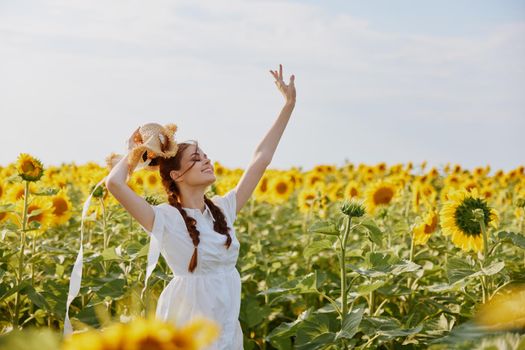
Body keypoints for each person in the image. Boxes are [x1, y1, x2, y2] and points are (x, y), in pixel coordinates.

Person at [105, 64, 296, 349]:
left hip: (227, 331)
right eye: (196, 158)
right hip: (188, 333)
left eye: (206, 156)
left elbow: (261, 159)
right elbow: (115, 184)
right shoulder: (164, 219)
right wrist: (138, 152)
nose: (207, 161)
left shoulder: (223, 209)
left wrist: (288, 105)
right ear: (176, 175)